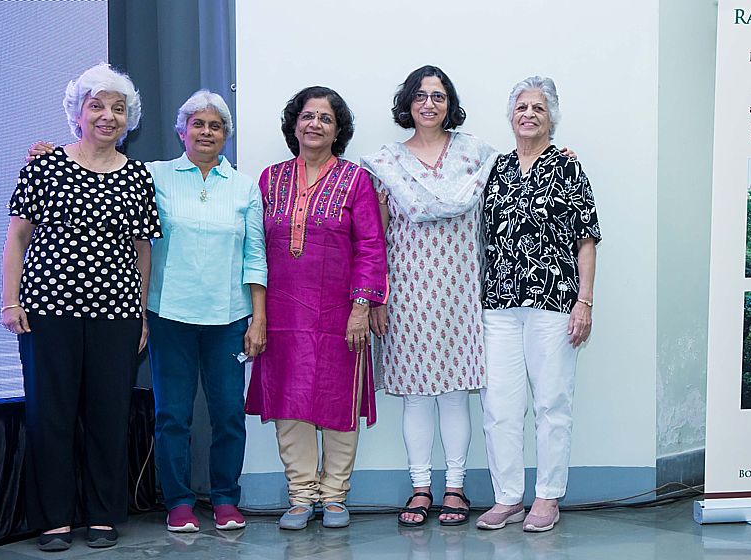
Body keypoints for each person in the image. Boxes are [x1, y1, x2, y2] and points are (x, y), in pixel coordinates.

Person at [25, 91, 267, 534]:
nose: (206, 132)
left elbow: (255, 256)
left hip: (228, 318)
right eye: (197, 124)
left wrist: (258, 317)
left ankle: (226, 499)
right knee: (171, 415)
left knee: (229, 414)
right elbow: (96, 167)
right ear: (181, 131)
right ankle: (177, 502)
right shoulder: (150, 175)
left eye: (215, 126)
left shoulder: (245, 187)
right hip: (168, 314)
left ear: (226, 135)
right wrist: (47, 150)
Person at [1, 63, 161, 551]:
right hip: (48, 311)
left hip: (115, 313)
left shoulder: (136, 175)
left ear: (128, 118)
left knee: (109, 414)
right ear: (78, 112)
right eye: (97, 106)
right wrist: (10, 301)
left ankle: (103, 513)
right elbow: (18, 237)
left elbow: (142, 249)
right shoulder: (45, 166)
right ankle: (53, 519)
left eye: (117, 108)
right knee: (50, 414)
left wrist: (139, 313)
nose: (107, 115)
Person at [244, 86, 388, 530]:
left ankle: (336, 496)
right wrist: (258, 314)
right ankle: (301, 496)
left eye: (325, 118)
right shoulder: (270, 179)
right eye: (308, 116)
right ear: (294, 123)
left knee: (337, 400)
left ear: (338, 129)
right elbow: (256, 251)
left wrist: (362, 307)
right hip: (283, 313)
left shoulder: (355, 180)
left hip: (339, 315)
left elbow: (370, 245)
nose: (315, 125)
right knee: (290, 401)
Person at [362, 66, 497, 527]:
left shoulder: (476, 155)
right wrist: (375, 296)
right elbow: (376, 235)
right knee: (418, 396)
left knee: (456, 393)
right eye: (420, 95)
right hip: (407, 290)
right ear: (408, 102)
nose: (429, 103)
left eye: (438, 96)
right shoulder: (385, 162)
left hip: (462, 290)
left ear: (449, 102)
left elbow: (519, 176)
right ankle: (420, 488)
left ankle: (455, 489)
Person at [476, 76, 601, 533]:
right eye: (521, 107)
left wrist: (584, 301)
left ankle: (547, 497)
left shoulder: (568, 167)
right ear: (511, 116)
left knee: (552, 403)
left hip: (554, 303)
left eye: (539, 109)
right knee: (500, 406)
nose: (528, 114)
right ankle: (507, 497)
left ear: (552, 118)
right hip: (499, 305)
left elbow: (586, 239)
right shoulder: (496, 168)